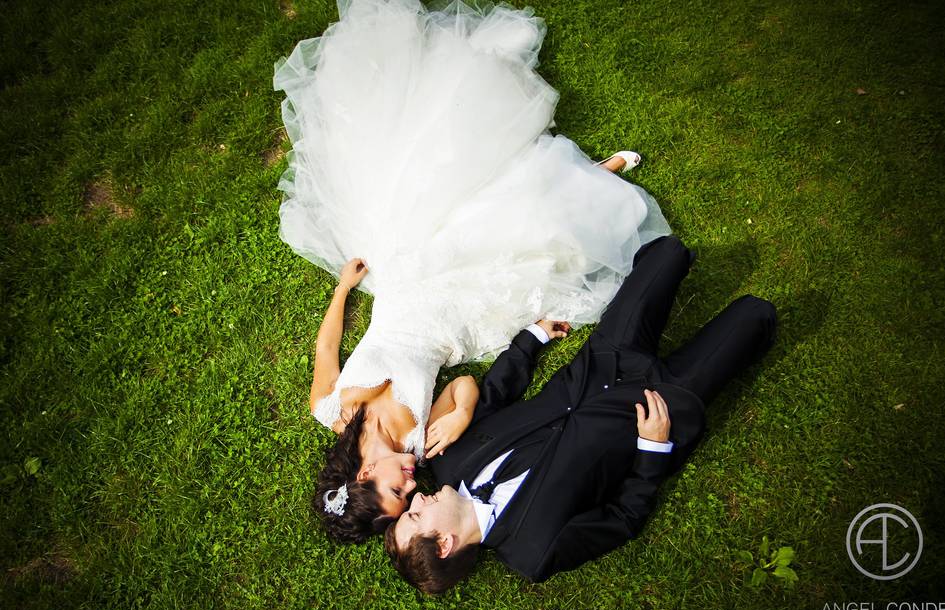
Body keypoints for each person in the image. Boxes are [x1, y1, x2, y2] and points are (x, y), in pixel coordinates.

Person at [273, 0, 671, 542]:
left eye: (396, 492)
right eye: (408, 503)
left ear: (364, 475)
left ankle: (576, 171)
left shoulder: (330, 409)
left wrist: (344, 289)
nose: (412, 489)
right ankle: (596, 181)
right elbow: (462, 384)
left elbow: (326, 351)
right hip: (458, 318)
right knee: (531, 244)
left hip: (405, 284)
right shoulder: (421, 448)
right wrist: (460, 416)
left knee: (443, 182)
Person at [384, 235, 778, 593]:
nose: (417, 500)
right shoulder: (534, 552)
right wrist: (653, 447)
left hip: (605, 359)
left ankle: (667, 272)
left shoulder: (448, 458)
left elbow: (494, 395)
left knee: (668, 253)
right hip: (662, 403)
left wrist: (532, 339)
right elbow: (624, 518)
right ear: (446, 544)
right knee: (756, 314)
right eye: (417, 517)